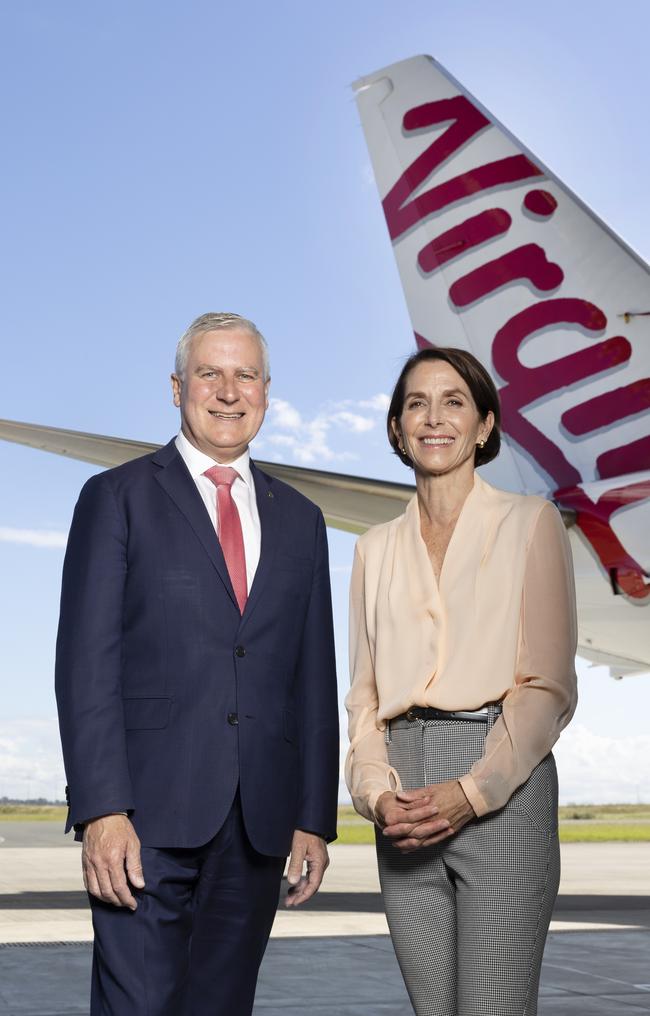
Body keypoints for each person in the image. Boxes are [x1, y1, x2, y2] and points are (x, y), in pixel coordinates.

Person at [55, 312, 339, 1015]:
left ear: (267, 393)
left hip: (259, 821)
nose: (227, 390)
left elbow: (314, 676)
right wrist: (101, 810)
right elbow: (85, 665)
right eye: (209, 373)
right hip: (142, 822)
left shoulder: (302, 518)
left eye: (245, 374)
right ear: (176, 387)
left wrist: (313, 816)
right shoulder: (117, 497)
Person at [345, 346, 577, 1016]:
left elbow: (547, 687)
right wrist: (375, 794)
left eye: (454, 402)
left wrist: (472, 793)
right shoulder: (373, 548)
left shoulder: (529, 524)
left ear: (484, 425)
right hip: (402, 797)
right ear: (396, 428)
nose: (433, 417)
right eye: (416, 403)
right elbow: (364, 696)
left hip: (500, 777)